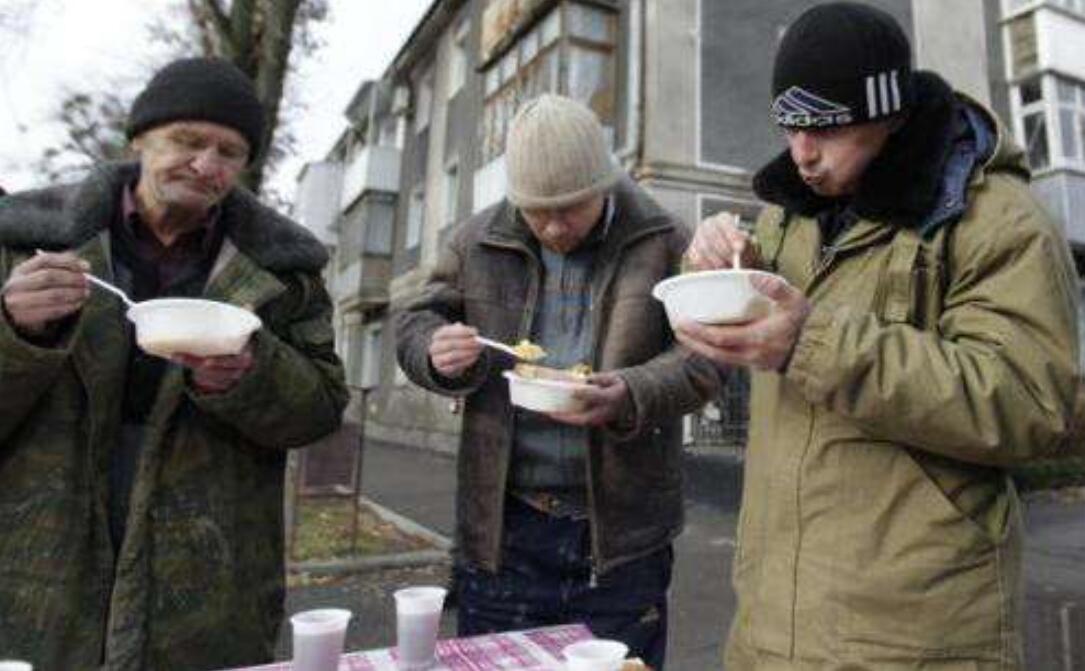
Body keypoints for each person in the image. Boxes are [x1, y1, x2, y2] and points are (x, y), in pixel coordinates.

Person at [676, 4, 1080, 669]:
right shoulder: (789, 218)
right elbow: (741, 325)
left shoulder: (996, 220)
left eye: (825, 130)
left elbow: (1034, 402)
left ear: (889, 115)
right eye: (789, 125)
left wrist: (810, 342)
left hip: (917, 636)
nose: (800, 154)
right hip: (768, 623)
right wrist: (712, 263)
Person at [0, 57, 348, 670]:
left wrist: (250, 375)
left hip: (207, 580)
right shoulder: (27, 240)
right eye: (187, 141)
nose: (207, 165)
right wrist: (15, 331)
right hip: (37, 563)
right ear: (139, 140)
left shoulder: (284, 269)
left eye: (229, 151)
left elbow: (321, 408)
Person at [395, 94, 723, 669]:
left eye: (571, 207)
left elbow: (706, 358)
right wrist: (434, 350)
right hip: (504, 531)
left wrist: (631, 392)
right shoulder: (474, 241)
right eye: (534, 210)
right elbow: (416, 321)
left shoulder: (664, 236)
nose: (552, 225)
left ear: (604, 183)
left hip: (624, 537)